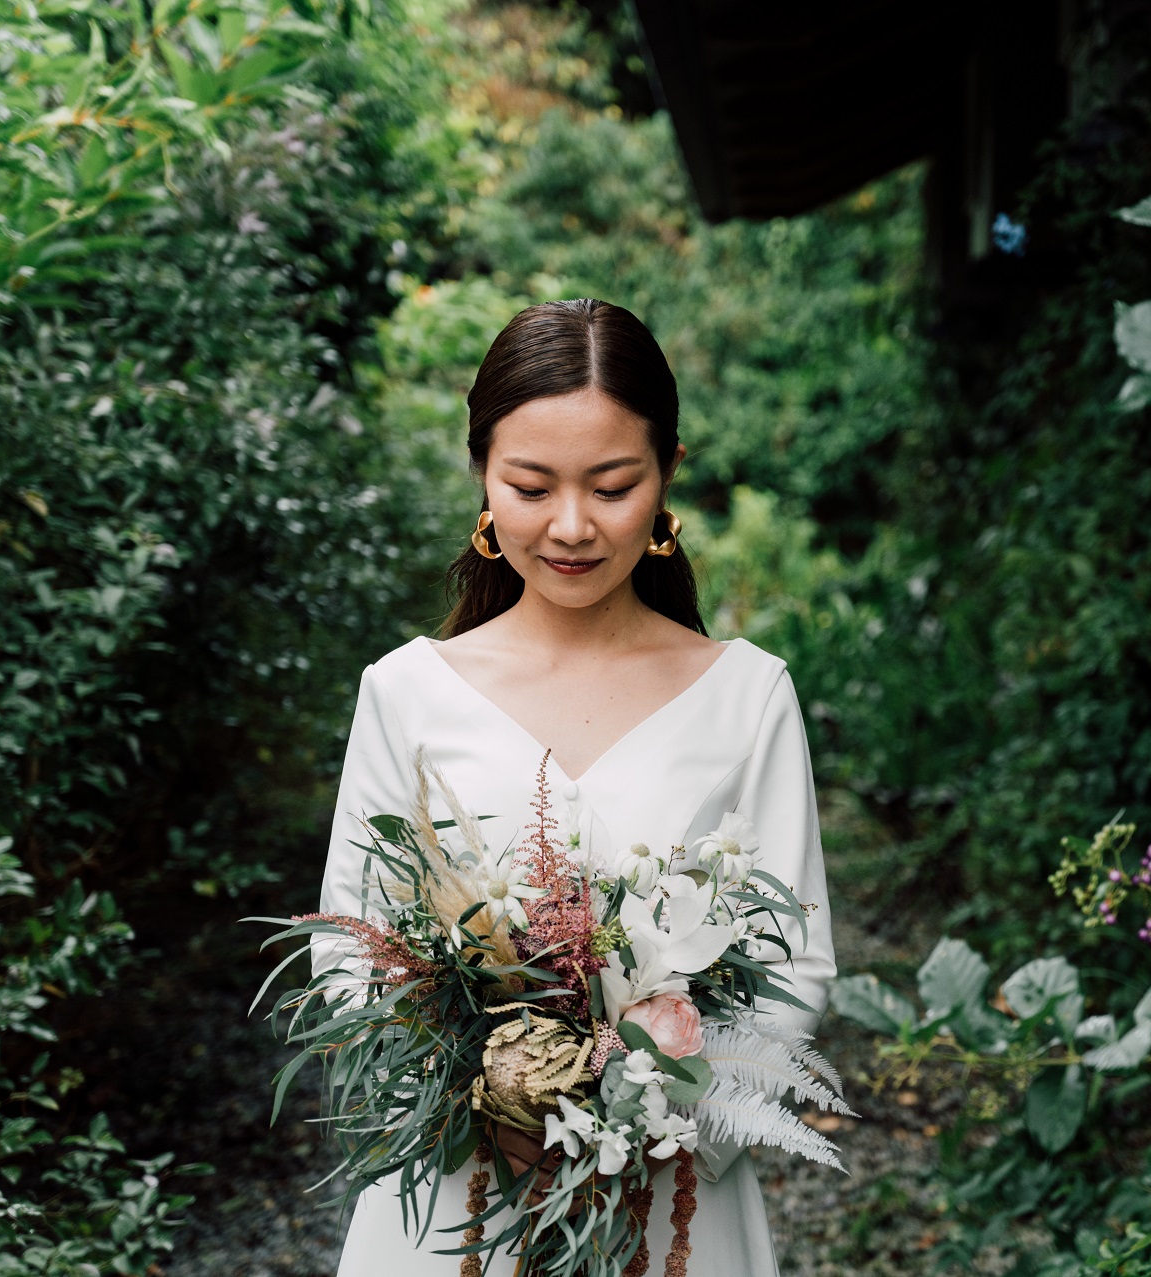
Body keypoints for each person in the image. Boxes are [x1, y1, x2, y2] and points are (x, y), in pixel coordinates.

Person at [315, 299, 837, 1276]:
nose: (570, 525)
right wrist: (484, 1098)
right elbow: (354, 958)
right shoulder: (405, 693)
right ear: (482, 474)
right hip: (456, 1200)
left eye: (611, 485)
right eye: (530, 483)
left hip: (675, 1197)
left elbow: (794, 961)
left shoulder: (746, 695)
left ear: (668, 472)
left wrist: (648, 1120)